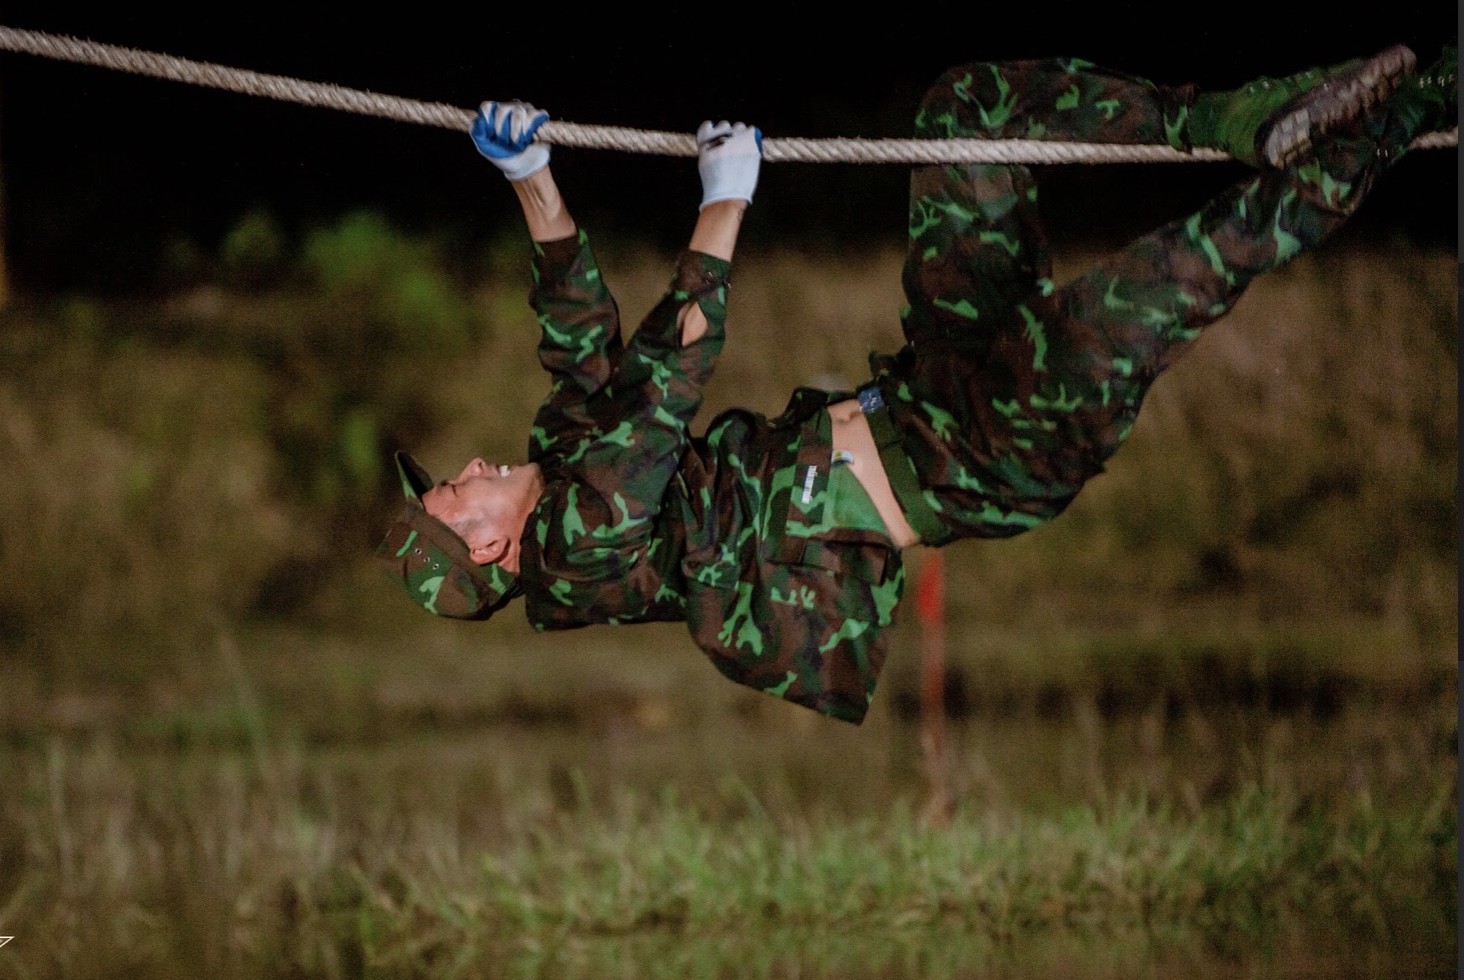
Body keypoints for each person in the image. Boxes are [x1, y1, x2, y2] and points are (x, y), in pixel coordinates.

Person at [377, 44, 1456, 724]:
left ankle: (1234, 121)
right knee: (1159, 283)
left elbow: (582, 352)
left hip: (928, 388)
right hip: (981, 459)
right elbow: (662, 382)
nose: (469, 465)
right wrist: (727, 202)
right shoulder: (578, 557)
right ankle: (1410, 110)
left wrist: (530, 181)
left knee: (964, 111)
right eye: (454, 490)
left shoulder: (563, 475)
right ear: (485, 545)